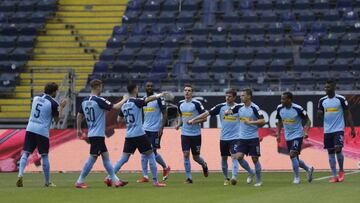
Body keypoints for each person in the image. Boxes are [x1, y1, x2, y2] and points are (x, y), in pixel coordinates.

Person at [188, 88, 252, 186]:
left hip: (236, 137)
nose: (227, 98)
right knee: (224, 158)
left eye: (230, 96)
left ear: (234, 97)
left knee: (235, 157)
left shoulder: (239, 107)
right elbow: (207, 113)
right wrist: (194, 119)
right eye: (226, 96)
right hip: (223, 137)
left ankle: (234, 177)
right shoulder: (221, 107)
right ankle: (227, 178)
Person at [111, 83, 167, 187]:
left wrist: (129, 119)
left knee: (124, 158)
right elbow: (148, 99)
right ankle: (155, 182)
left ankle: (109, 177)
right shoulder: (137, 101)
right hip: (139, 134)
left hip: (129, 135)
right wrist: (160, 95)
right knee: (151, 155)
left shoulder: (124, 104)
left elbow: (119, 120)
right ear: (135, 90)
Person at [75, 79, 128, 189]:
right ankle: (79, 181)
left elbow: (79, 116)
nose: (102, 88)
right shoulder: (99, 100)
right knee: (92, 158)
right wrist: (124, 99)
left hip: (92, 133)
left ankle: (115, 180)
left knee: (105, 157)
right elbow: (116, 107)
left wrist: (79, 129)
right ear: (98, 87)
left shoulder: (84, 101)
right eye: (101, 86)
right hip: (97, 134)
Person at [16, 82, 66, 187]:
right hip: (42, 130)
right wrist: (61, 107)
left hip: (30, 128)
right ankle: (47, 182)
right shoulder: (53, 103)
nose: (56, 93)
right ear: (53, 91)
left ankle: (20, 174)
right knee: (44, 155)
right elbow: (57, 120)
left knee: (26, 153)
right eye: (56, 91)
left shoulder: (36, 98)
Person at [317, 80, 356, 183]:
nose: (326, 89)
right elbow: (319, 115)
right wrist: (319, 114)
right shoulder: (322, 100)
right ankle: (334, 176)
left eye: (328, 87)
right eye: (325, 87)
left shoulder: (341, 99)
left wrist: (352, 128)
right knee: (330, 152)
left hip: (338, 129)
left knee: (338, 149)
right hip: (327, 130)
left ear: (334, 88)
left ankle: (341, 171)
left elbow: (348, 113)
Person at [225, 89, 265, 187]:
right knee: (238, 157)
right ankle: (251, 172)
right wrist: (227, 112)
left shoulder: (255, 108)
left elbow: (263, 121)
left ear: (249, 96)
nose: (241, 97)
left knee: (255, 159)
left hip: (253, 138)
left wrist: (251, 122)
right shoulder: (239, 107)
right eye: (241, 95)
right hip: (242, 137)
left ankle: (259, 180)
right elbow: (230, 111)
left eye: (243, 95)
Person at [276, 92, 314, 184]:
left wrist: (305, 131)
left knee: (292, 154)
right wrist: (278, 134)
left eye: (283, 99)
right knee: (295, 158)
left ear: (289, 100)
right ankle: (308, 168)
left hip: (297, 135)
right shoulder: (279, 108)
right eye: (281, 99)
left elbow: (308, 121)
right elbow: (280, 121)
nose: (282, 101)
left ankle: (297, 178)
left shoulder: (298, 109)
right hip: (288, 136)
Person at [137, 81, 171, 183]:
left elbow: (165, 113)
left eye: (151, 86)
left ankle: (165, 167)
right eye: (148, 86)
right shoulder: (143, 99)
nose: (150, 87)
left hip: (155, 130)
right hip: (145, 129)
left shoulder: (159, 98)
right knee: (144, 152)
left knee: (152, 152)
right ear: (145, 87)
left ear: (153, 87)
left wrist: (161, 127)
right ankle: (145, 176)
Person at [175, 84, 208, 184]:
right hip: (185, 133)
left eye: (189, 90)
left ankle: (204, 165)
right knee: (186, 154)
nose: (187, 92)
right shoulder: (180, 103)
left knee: (196, 157)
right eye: (185, 90)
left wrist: (194, 121)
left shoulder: (196, 104)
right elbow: (181, 116)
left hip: (196, 134)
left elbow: (205, 118)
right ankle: (189, 178)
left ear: (192, 92)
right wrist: (178, 124)